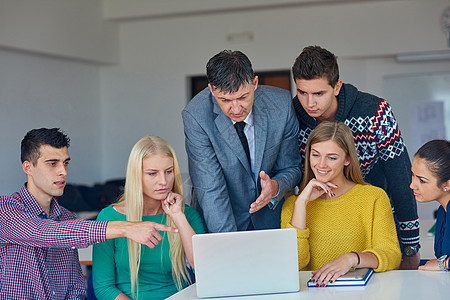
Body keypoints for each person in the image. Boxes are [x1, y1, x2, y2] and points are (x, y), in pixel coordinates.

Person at [0, 128, 177, 299]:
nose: (63, 171)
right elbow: (46, 233)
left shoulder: (67, 218)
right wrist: (126, 228)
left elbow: (75, 287)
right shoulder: (6, 210)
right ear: (28, 167)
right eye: (52, 163)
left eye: (66, 163)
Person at [291, 45, 420, 269]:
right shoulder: (291, 116)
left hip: (378, 222)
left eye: (318, 94)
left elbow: (400, 178)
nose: (309, 103)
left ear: (337, 86)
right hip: (322, 223)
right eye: (302, 92)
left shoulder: (376, 111)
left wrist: (411, 245)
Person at [182, 50, 302, 232]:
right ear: (211, 90)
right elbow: (211, 190)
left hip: (271, 221)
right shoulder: (196, 116)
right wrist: (230, 245)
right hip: (221, 222)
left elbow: (292, 167)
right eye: (225, 100)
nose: (236, 108)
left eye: (243, 97)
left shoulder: (282, 105)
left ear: (254, 83)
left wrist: (275, 187)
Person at [281, 121, 401, 287]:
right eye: (315, 155)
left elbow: (391, 255)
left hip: (363, 294)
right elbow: (294, 265)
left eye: (331, 157)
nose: (321, 164)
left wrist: (350, 258)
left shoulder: (374, 197)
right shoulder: (293, 205)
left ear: (347, 159)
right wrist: (301, 203)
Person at [93, 134, 205, 299]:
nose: (163, 181)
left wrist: (178, 216)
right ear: (136, 175)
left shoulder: (188, 215)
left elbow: (203, 270)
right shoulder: (109, 216)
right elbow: (104, 288)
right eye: (152, 173)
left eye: (168, 171)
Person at [410, 139, 450, 272]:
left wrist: (443, 264)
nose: (412, 185)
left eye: (421, 180)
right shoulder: (442, 210)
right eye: (413, 175)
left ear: (446, 184)